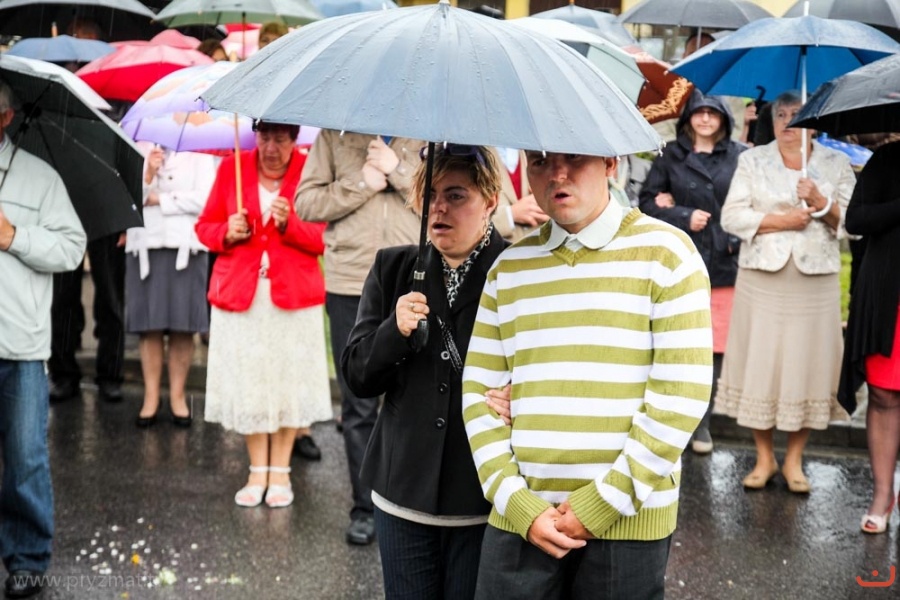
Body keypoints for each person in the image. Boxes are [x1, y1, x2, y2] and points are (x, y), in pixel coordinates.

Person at [462, 150, 713, 599]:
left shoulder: (668, 253)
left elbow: (681, 396)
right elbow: (479, 395)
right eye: (539, 161)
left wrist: (603, 503)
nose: (557, 174)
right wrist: (517, 502)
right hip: (521, 516)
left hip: (628, 520)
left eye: (574, 157)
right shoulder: (510, 267)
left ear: (610, 163)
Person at [342, 144, 510, 598]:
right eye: (431, 195)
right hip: (402, 492)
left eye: (456, 195)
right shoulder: (394, 267)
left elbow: (544, 371)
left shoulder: (517, 273)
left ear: (490, 201)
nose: (439, 207)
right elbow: (357, 377)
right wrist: (393, 332)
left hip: (483, 495)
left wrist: (524, 396)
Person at [718, 91, 856, 493]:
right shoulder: (752, 160)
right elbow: (731, 216)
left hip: (816, 280)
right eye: (780, 115)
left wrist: (821, 202)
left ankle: (794, 459)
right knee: (760, 365)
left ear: (813, 121)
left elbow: (853, 225)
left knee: (806, 366)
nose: (787, 122)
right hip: (762, 276)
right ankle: (764, 457)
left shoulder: (835, 163)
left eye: (797, 114)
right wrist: (781, 221)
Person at [296, 130, 423, 545]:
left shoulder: (432, 130)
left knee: (415, 398)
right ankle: (365, 507)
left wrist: (398, 171)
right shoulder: (334, 134)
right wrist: (361, 183)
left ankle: (409, 503)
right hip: (350, 281)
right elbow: (306, 203)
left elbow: (448, 202)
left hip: (413, 280)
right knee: (358, 402)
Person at [196, 121, 331, 508]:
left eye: (280, 139)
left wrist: (290, 225)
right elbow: (204, 228)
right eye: (264, 137)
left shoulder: (311, 170)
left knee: (287, 380)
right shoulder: (232, 168)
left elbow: (325, 237)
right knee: (251, 382)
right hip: (242, 293)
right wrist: (227, 231)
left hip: (293, 294)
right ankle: (257, 470)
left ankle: (281, 470)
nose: (271, 147)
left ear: (294, 139)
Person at [0, 80, 87, 599]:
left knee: (25, 458)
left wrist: (14, 236)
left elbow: (72, 249)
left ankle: (27, 559)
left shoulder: (40, 179)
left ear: (6, 118)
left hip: (21, 345)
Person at [640, 90, 746, 454]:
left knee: (712, 348)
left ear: (723, 119)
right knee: (672, 339)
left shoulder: (739, 155)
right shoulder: (670, 154)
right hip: (679, 258)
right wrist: (682, 215)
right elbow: (646, 202)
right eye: (698, 112)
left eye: (712, 113)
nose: (705, 119)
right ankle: (667, 419)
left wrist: (730, 238)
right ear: (688, 118)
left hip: (723, 262)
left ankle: (702, 424)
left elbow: (750, 202)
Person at [127, 144, 216, 427]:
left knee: (183, 325)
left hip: (186, 245)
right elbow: (126, 197)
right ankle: (151, 396)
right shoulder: (135, 142)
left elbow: (205, 198)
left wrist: (160, 200)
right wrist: (147, 176)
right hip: (145, 244)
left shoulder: (200, 148)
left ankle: (178, 396)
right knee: (149, 326)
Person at [837, 141, 900, 533]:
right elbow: (855, 220)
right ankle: (882, 494)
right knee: (884, 395)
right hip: (887, 295)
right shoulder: (888, 159)